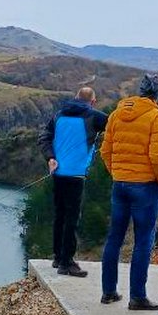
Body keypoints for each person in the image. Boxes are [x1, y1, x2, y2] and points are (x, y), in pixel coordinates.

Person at [99, 74, 158, 310]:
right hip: (146, 186)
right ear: (157, 94)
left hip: (119, 184)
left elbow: (105, 151)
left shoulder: (116, 115)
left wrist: (117, 172)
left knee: (114, 238)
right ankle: (137, 297)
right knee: (143, 241)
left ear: (140, 92)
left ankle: (108, 292)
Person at [38, 87, 108, 277]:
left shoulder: (59, 115)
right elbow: (117, 126)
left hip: (57, 172)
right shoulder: (94, 117)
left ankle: (58, 257)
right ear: (92, 102)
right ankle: (67, 262)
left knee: (60, 215)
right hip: (76, 174)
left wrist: (50, 157)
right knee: (72, 218)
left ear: (76, 97)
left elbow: (44, 137)